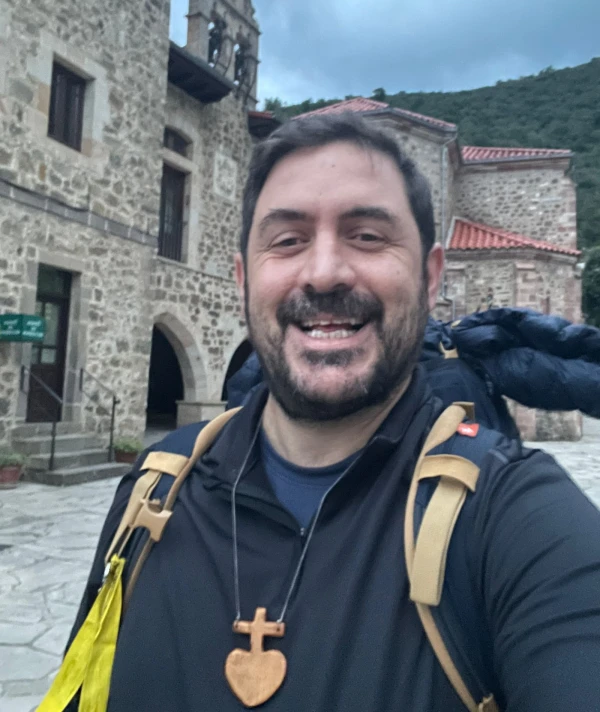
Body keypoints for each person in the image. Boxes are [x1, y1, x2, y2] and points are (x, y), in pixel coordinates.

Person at [60, 113, 600, 711]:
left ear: (430, 275)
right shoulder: (153, 492)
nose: (323, 273)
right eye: (287, 240)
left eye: (367, 235)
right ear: (244, 279)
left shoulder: (518, 520)